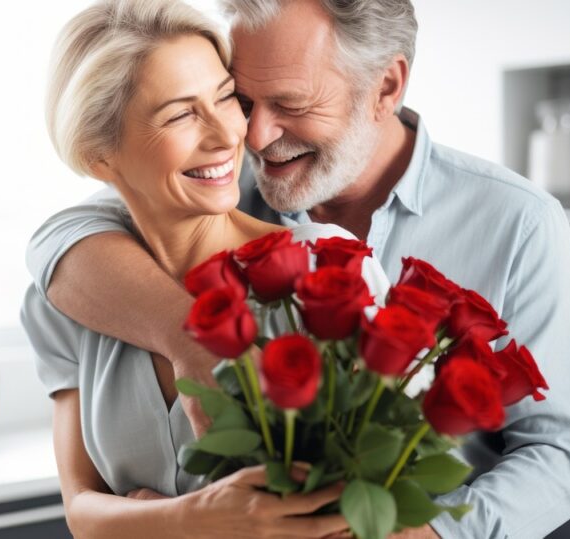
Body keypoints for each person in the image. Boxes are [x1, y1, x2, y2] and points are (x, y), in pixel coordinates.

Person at [24, 0, 570, 538]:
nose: (249, 135)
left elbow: (558, 455)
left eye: (291, 104)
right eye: (245, 98)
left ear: (386, 87)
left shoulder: (517, 222)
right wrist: (195, 342)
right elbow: (62, 236)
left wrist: (428, 532)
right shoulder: (213, 190)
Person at [21, 1, 391, 536]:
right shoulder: (67, 298)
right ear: (100, 155)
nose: (229, 134)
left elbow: (366, 513)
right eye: (180, 113)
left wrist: (142, 524)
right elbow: (82, 512)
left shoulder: (325, 273)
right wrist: (194, 520)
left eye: (226, 98)